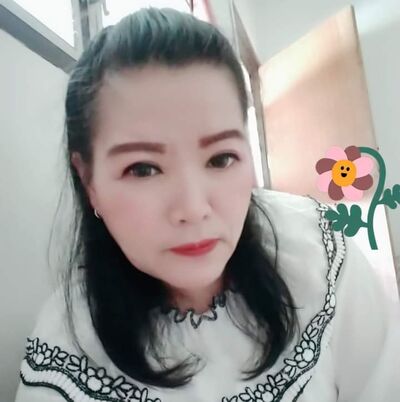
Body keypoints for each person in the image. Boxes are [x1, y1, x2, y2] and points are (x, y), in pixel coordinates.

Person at [15, 7, 400, 402]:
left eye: (221, 158)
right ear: (88, 181)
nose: (194, 208)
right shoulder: (68, 353)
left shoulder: (316, 254)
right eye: (143, 169)